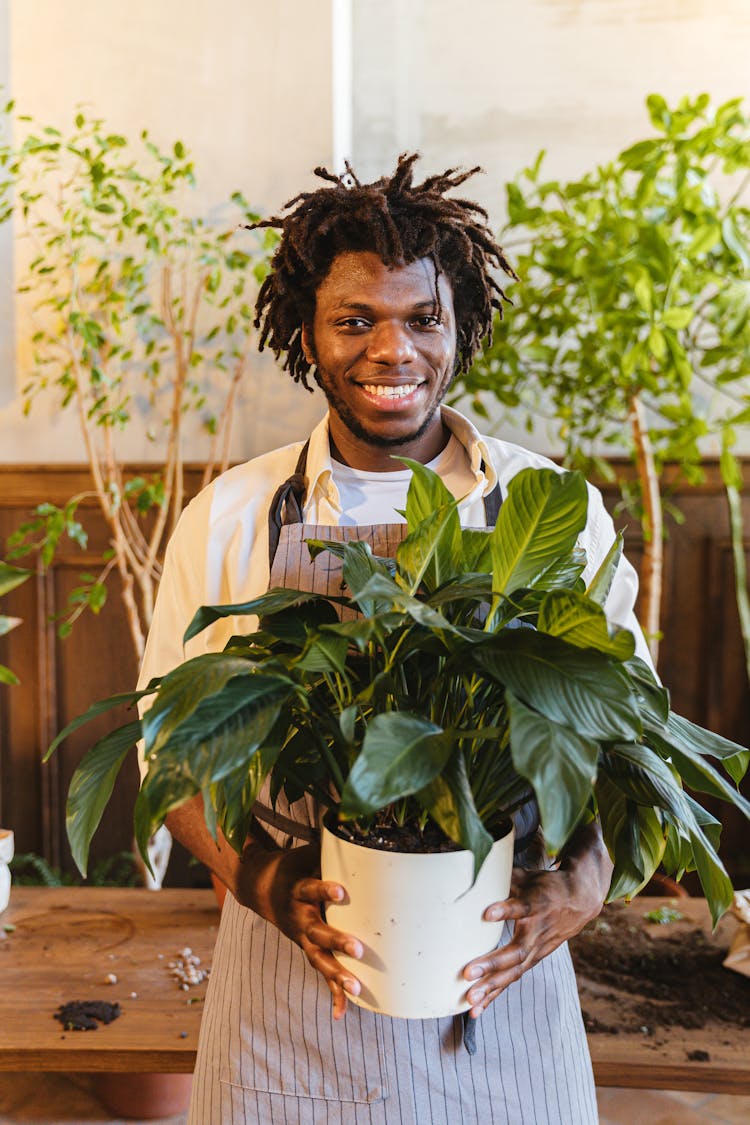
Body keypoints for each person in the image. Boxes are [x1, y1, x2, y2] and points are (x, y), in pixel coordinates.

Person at [138, 154, 650, 1124]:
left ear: (461, 329)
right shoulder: (236, 516)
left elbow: (628, 732)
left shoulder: (550, 509)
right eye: (355, 320)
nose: (393, 349)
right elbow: (170, 756)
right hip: (293, 974)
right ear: (307, 334)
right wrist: (265, 878)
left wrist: (578, 888)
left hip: (497, 955)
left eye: (422, 319)